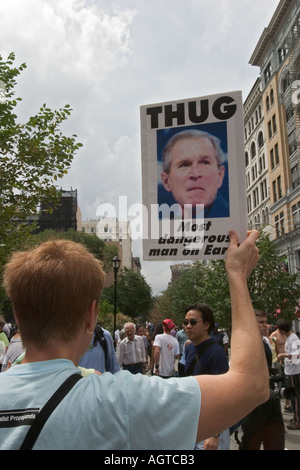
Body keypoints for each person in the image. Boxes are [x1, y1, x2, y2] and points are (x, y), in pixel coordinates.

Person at [0, 233, 269, 450]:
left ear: (19, 317)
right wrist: (236, 274)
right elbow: (252, 386)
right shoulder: (118, 401)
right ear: (90, 316)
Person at [184, 304, 230, 450]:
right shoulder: (190, 348)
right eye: (185, 322)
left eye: (193, 322)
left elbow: (223, 393)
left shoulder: (216, 352)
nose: (188, 326)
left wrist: (214, 433)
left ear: (206, 325)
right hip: (193, 422)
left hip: (212, 427)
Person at [239, 310, 285, 450]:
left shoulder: (265, 341)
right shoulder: (244, 344)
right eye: (261, 322)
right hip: (254, 403)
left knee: (275, 440)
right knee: (251, 442)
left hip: (270, 398)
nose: (266, 325)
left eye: (266, 322)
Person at [160, 129, 229, 218]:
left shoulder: (240, 221)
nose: (195, 174)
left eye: (204, 162)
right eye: (184, 165)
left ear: (220, 175)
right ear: (166, 181)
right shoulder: (159, 228)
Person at [277, 319, 300, 430]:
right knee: (294, 396)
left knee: (295, 397)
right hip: (292, 371)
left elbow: (297, 355)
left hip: (294, 372)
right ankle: (296, 418)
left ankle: (297, 421)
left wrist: (283, 355)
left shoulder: (293, 339)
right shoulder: (291, 338)